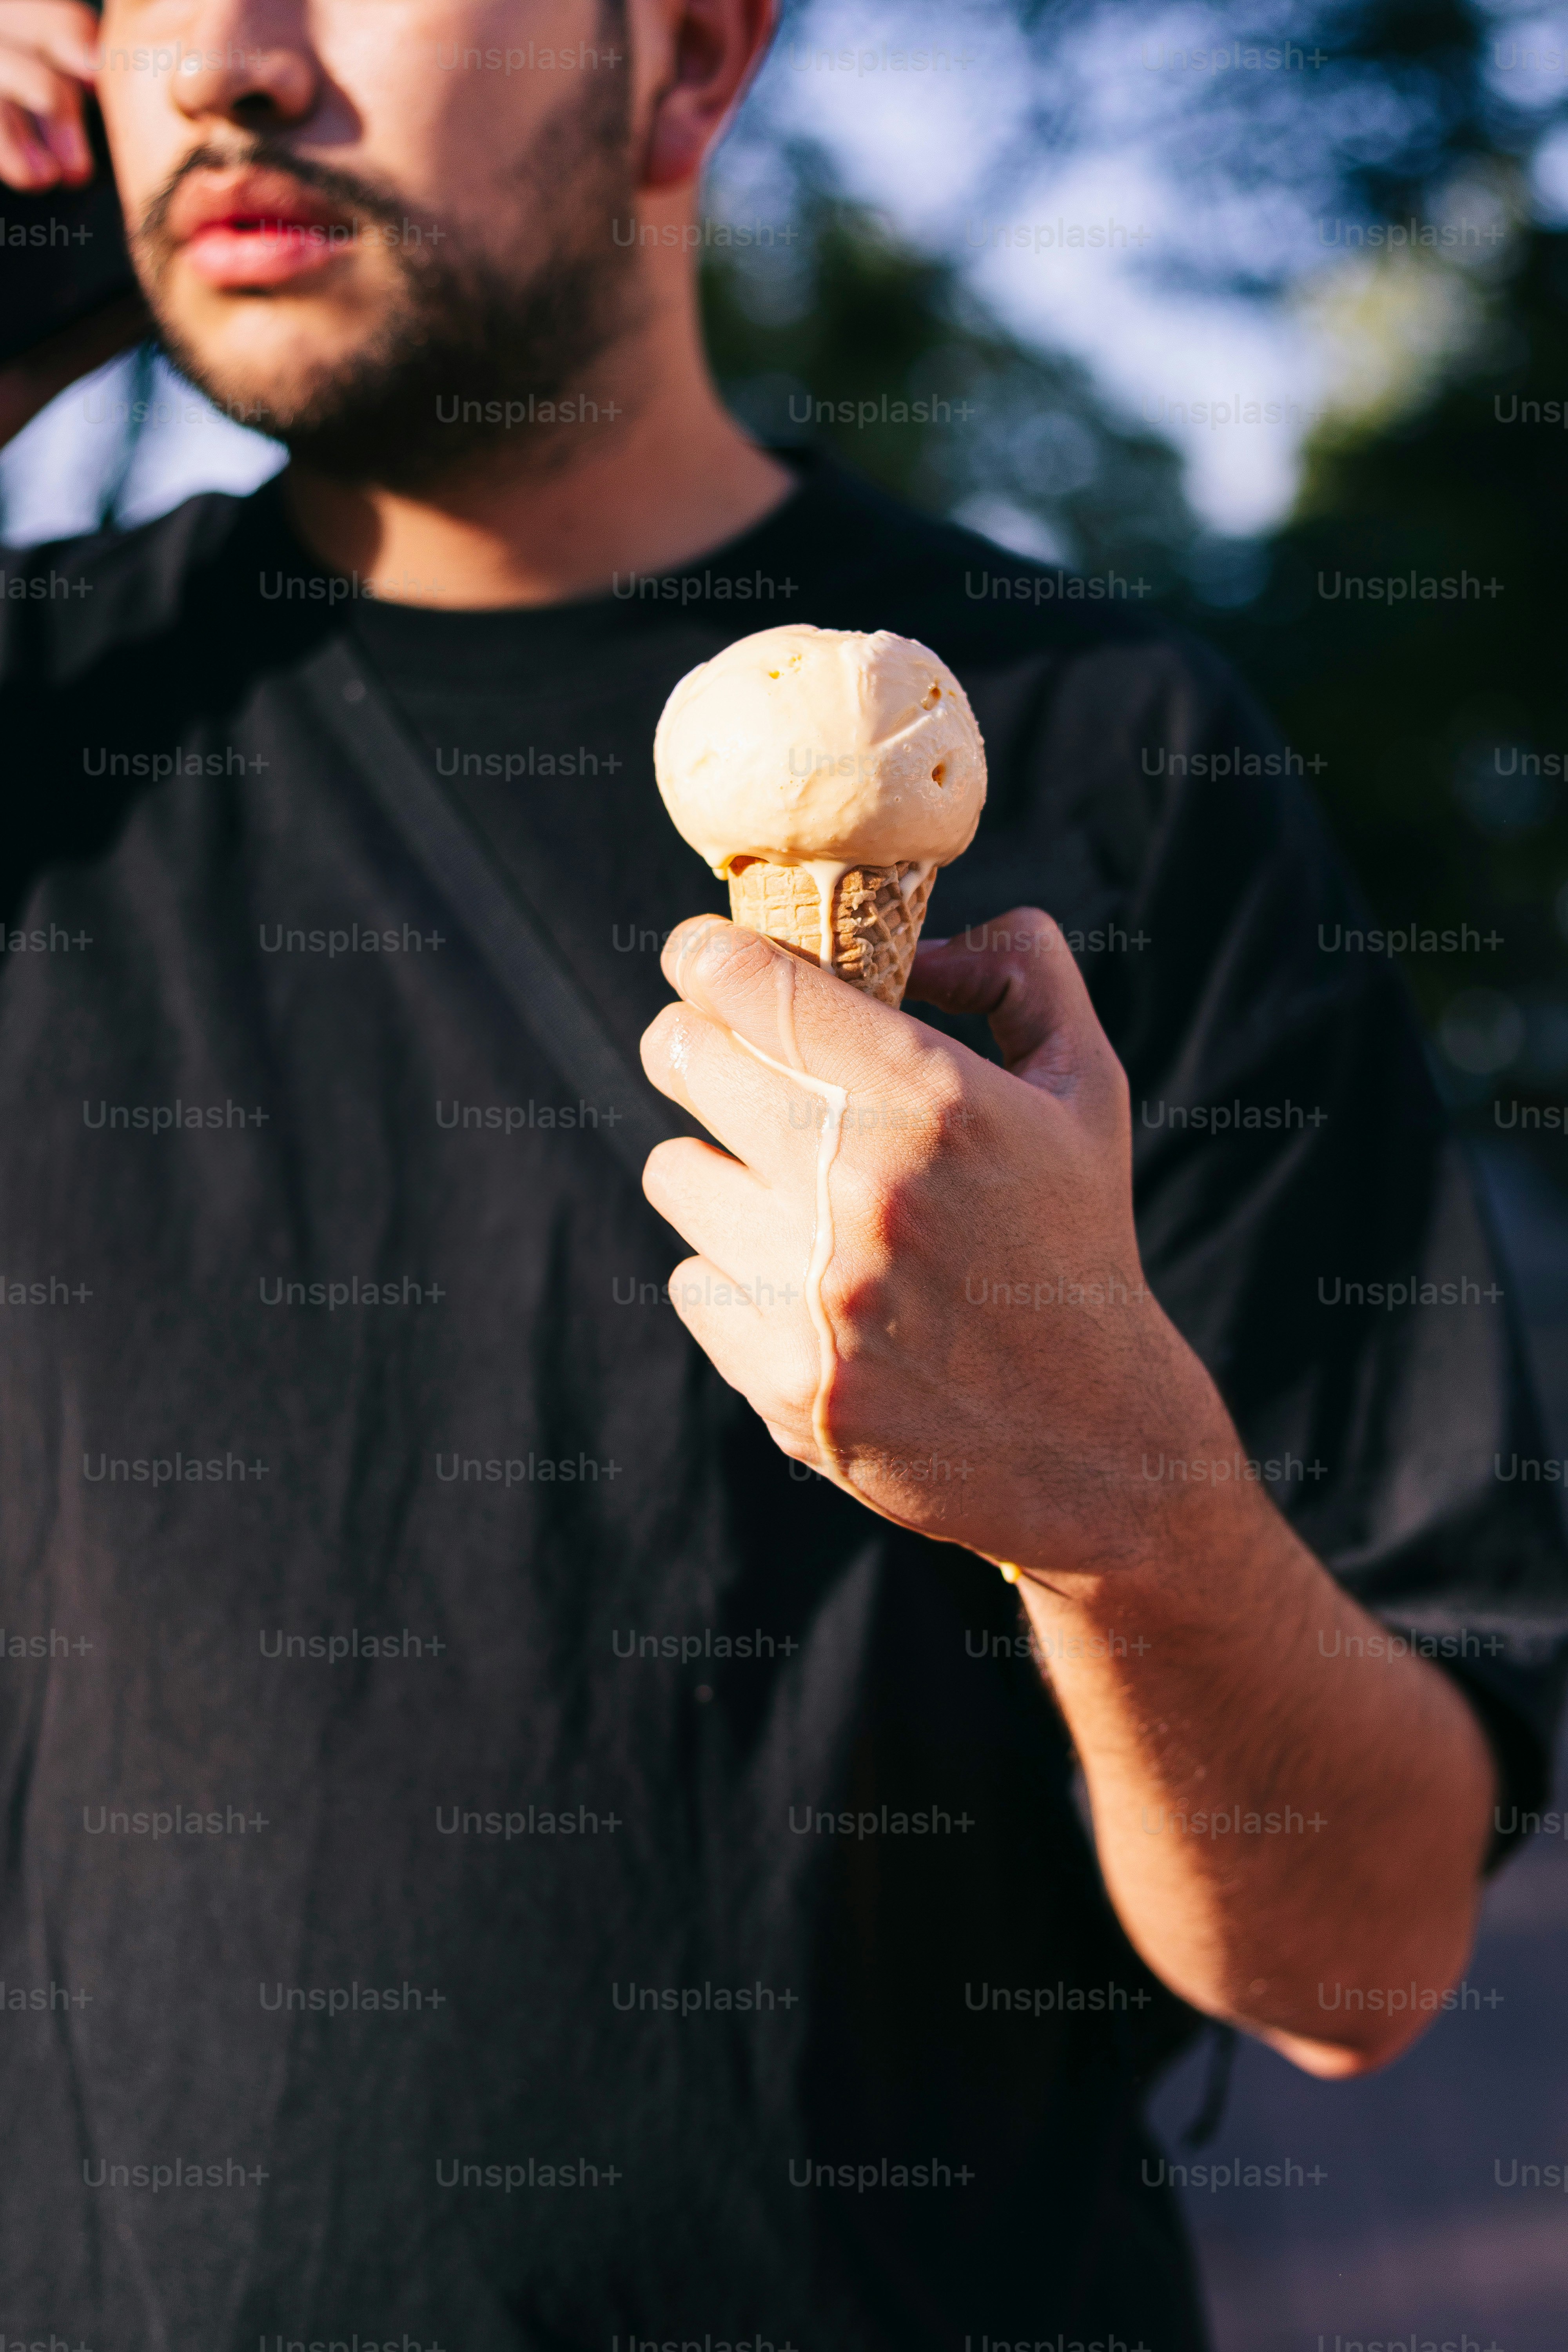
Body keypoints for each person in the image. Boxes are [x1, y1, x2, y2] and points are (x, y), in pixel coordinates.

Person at [0, 1, 1563, 2346]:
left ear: (692, 59)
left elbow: (1364, 1952)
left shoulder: (1103, 751)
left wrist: (1121, 1499)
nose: (220, 56)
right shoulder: (44, 732)